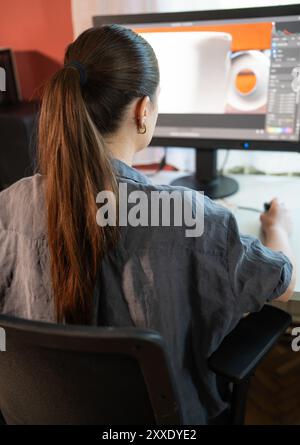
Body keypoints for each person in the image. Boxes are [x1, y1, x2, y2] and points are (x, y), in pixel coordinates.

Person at [0, 25, 296, 424]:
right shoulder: (190, 216)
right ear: (143, 111)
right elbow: (282, 284)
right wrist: (277, 228)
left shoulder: (11, 203)